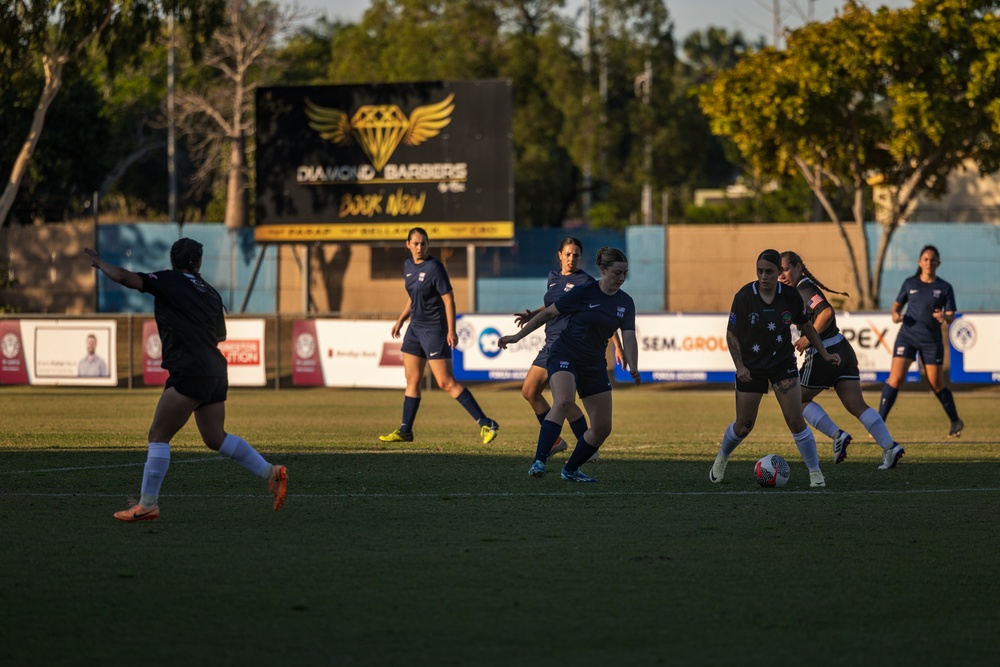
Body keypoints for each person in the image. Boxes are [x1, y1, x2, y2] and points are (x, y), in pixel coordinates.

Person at [84, 239, 287, 522]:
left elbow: (126, 278)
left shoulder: (169, 280)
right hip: (215, 370)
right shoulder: (212, 293)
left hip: (190, 369)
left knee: (158, 435)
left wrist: (101, 263)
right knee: (216, 438)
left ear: (173, 259)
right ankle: (271, 473)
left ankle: (148, 504)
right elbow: (219, 337)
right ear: (198, 262)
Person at [498, 246, 639, 483]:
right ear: (603, 270)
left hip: (593, 363)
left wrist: (634, 365)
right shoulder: (585, 292)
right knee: (563, 401)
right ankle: (539, 462)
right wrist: (515, 337)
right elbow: (547, 315)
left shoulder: (626, 302)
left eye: (625, 273)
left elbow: (629, 336)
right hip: (565, 352)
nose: (621, 278)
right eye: (617, 273)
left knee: (603, 428)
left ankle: (571, 469)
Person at [710, 249, 841, 488]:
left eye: (769, 271)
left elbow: (807, 327)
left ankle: (815, 473)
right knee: (744, 425)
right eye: (759, 271)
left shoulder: (791, 296)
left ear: (779, 272)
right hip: (751, 367)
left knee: (796, 420)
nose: (763, 276)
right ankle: (722, 458)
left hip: (783, 365)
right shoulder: (744, 296)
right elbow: (731, 334)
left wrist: (825, 353)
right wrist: (739, 366)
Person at [779, 251, 905, 470]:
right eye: (778, 271)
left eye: (785, 269)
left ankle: (837, 435)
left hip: (824, 352)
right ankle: (890, 447)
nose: (782, 275)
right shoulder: (799, 290)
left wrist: (809, 337)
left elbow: (826, 312)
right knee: (857, 405)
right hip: (842, 349)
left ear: (798, 266)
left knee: (795, 401)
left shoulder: (803, 289)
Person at [379, 227, 499, 444]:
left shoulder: (435, 267)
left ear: (428, 245)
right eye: (415, 243)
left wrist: (451, 330)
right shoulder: (407, 266)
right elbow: (413, 297)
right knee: (412, 379)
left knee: (445, 382)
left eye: (423, 243)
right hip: (414, 329)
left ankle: (486, 422)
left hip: (434, 330)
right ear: (408, 245)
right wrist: (401, 319)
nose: (419, 247)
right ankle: (405, 430)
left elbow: (448, 299)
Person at [513, 237, 624, 462]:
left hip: (566, 345)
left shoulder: (586, 281)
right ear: (560, 255)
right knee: (530, 392)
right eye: (568, 254)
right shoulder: (553, 278)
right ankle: (558, 442)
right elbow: (553, 305)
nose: (572, 259)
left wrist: (618, 346)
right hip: (549, 343)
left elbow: (602, 313)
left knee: (563, 401)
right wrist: (533, 314)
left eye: (576, 255)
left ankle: (587, 448)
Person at [878, 245, 963, 437]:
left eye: (932, 260)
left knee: (936, 384)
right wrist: (896, 316)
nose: (929, 263)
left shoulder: (944, 287)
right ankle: (878, 424)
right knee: (895, 379)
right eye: (925, 259)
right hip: (907, 336)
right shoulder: (910, 283)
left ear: (938, 263)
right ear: (919, 262)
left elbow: (951, 315)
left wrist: (945, 317)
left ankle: (955, 421)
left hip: (931, 341)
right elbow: (895, 309)